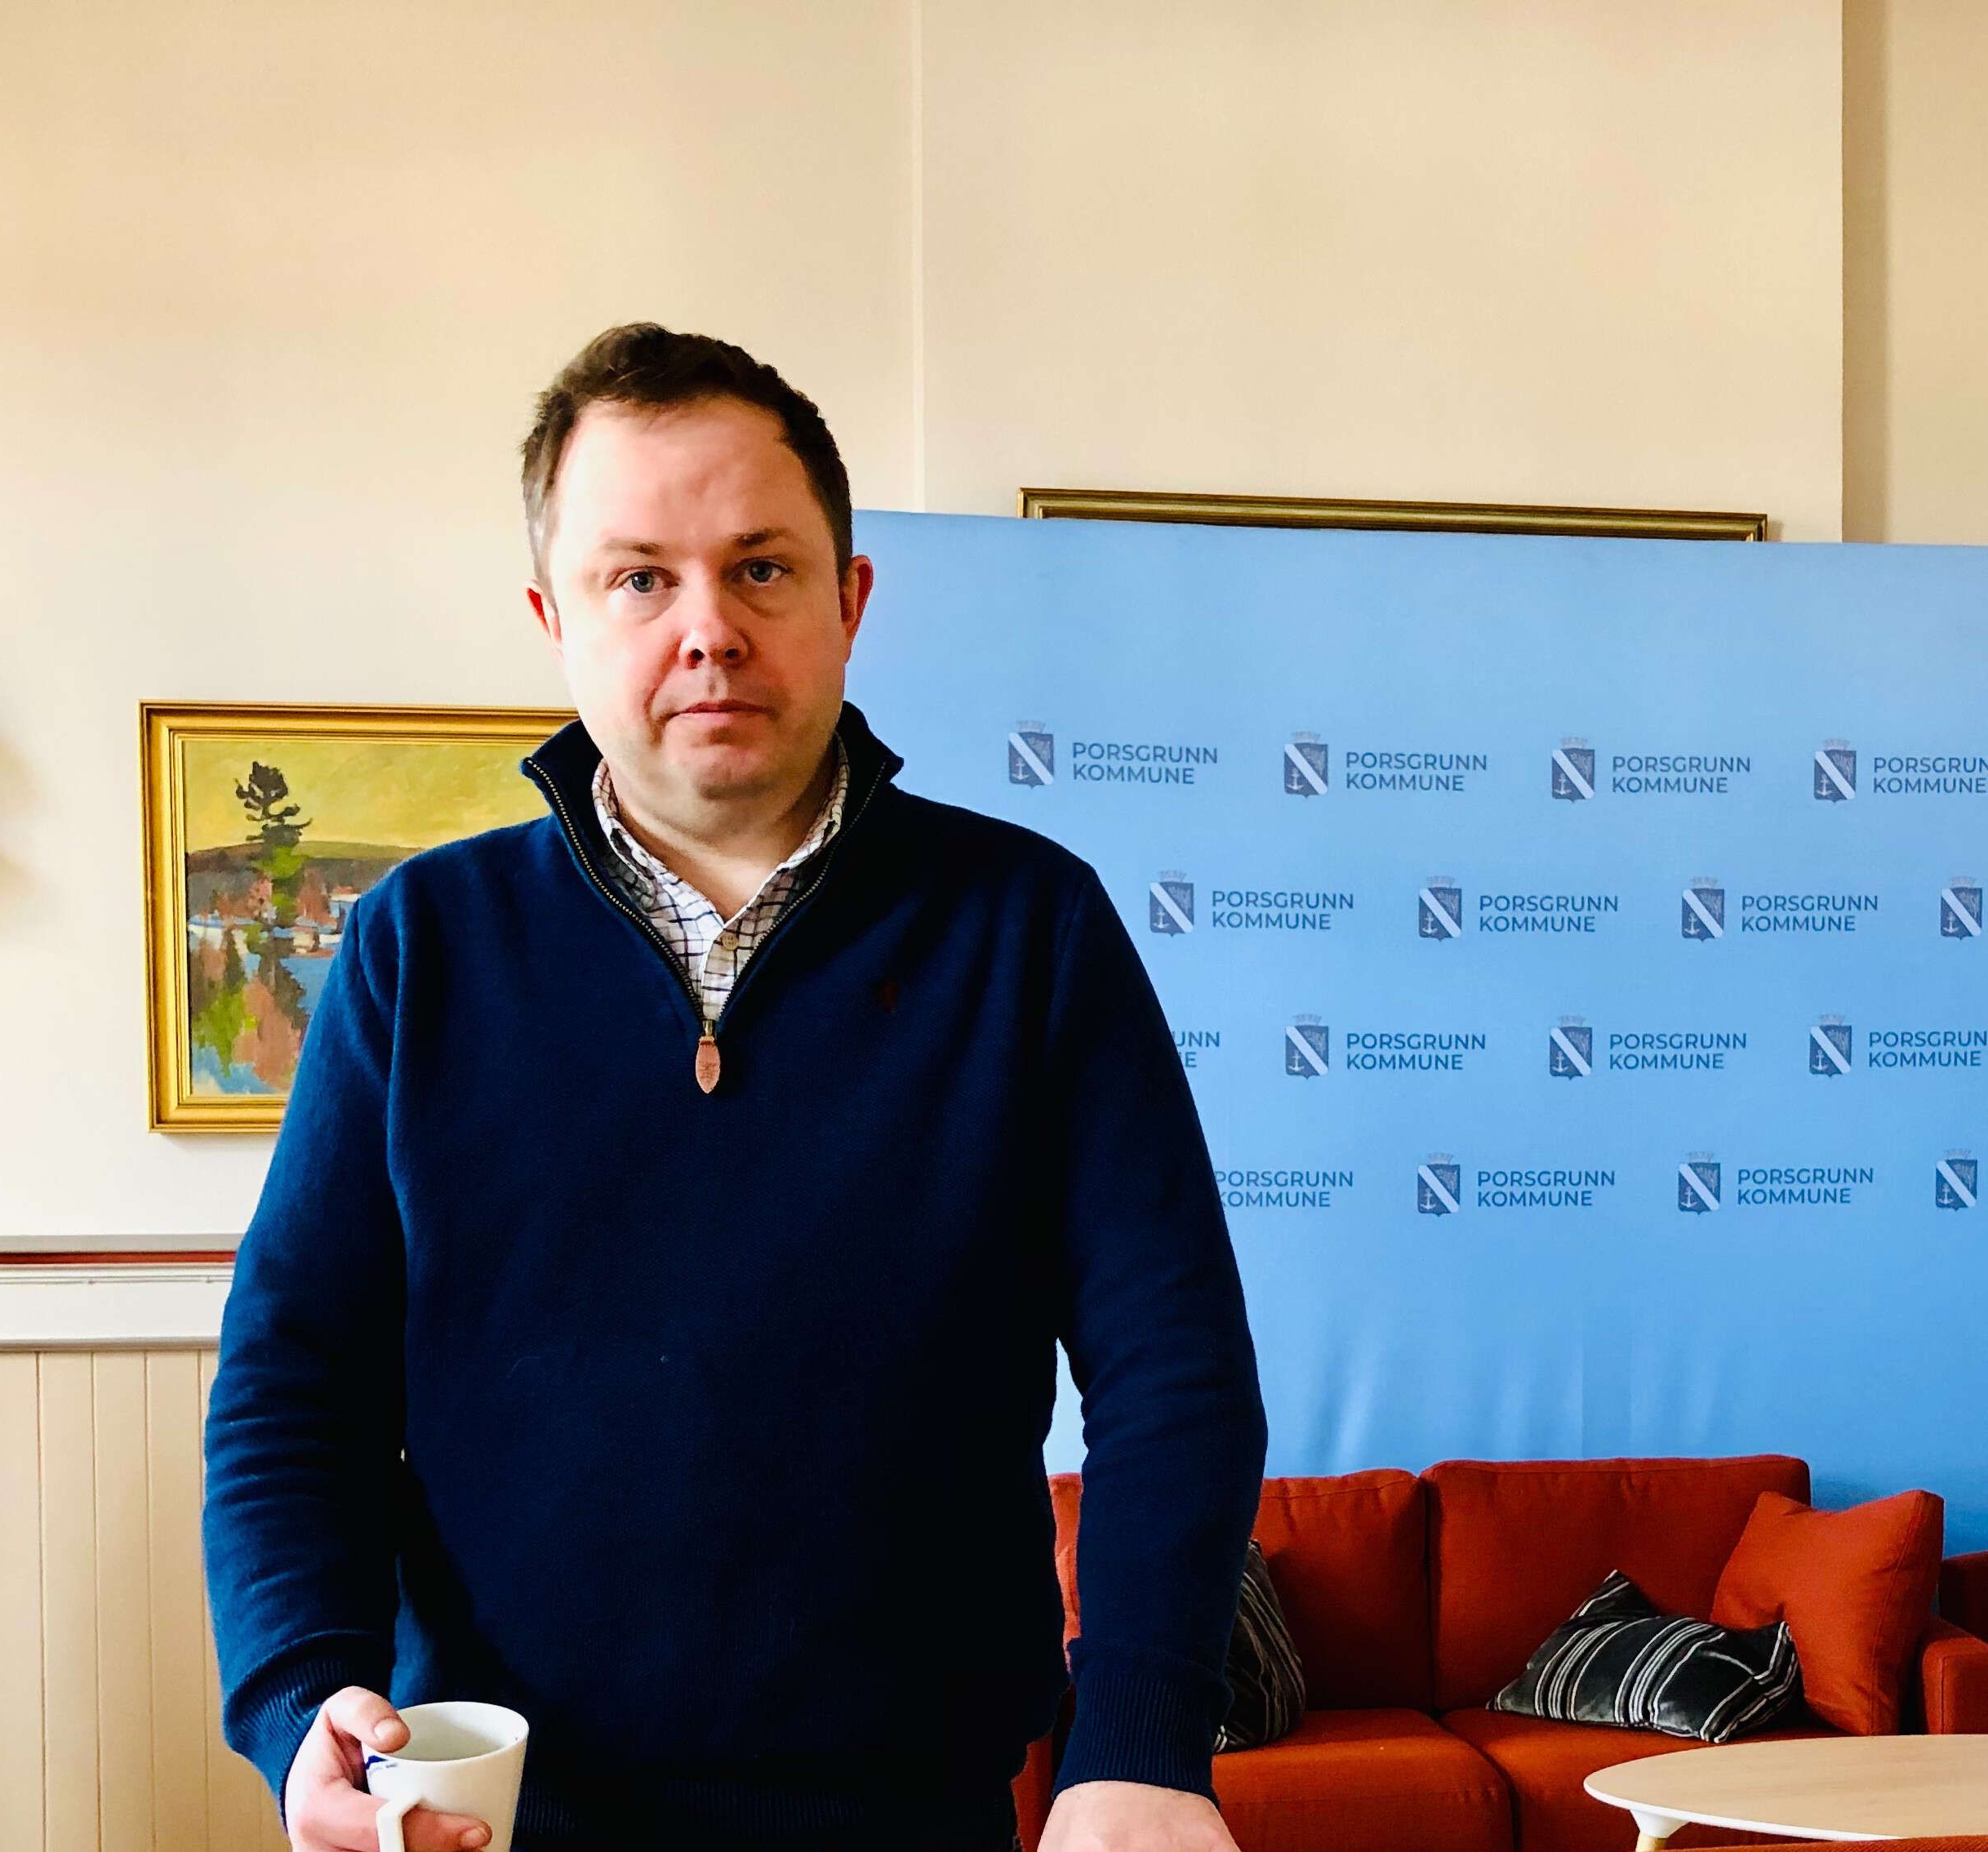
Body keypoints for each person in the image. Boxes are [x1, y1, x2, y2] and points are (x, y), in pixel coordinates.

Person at [202, 323, 1268, 1852]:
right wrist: (302, 1689)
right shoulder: (420, 947)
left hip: (915, 1817)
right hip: (495, 1815)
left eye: (761, 567)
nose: (708, 628)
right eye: (638, 578)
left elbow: (1176, 1374)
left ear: (850, 600)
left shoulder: (1029, 929)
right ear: (553, 618)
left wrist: (1143, 1747)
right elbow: (295, 1385)